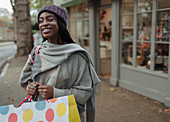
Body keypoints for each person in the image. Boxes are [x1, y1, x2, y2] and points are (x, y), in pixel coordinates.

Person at [19, 5, 100, 122]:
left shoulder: (77, 55)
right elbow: (25, 80)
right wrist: (30, 88)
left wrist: (55, 93)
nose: (44, 24)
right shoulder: (36, 52)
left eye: (50, 19)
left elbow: (85, 92)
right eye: (41, 21)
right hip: (39, 115)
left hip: (67, 116)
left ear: (61, 23)